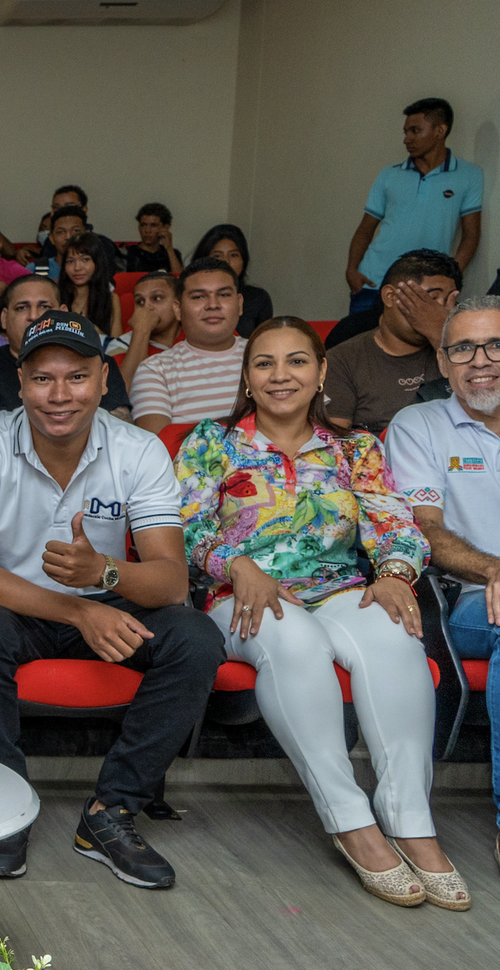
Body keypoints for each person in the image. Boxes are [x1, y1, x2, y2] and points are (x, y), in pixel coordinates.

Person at [177, 317, 462, 908]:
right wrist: (235, 563)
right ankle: (349, 818)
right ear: (248, 377)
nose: (281, 376)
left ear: (321, 372)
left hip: (338, 588)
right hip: (242, 599)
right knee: (296, 640)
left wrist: (394, 574)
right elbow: (183, 530)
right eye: (265, 363)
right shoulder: (211, 442)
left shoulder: (355, 448)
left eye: (297, 362)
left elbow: (396, 525)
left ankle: (410, 818)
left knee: (395, 636)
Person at [0, 309, 221, 887]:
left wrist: (105, 574)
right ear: (20, 384)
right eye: (42, 378)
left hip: (107, 600)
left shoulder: (139, 450)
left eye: (76, 377)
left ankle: (111, 811)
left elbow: (170, 582)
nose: (59, 394)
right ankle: (4, 806)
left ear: (102, 380)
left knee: (196, 638)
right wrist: (77, 606)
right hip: (12, 605)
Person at [385, 294, 500, 869]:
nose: (480, 360)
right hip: (466, 601)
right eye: (463, 348)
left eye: (495, 344)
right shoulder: (419, 425)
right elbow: (423, 530)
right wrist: (494, 570)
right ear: (444, 362)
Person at [347, 97, 483, 314]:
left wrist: (451, 277)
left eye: (415, 131)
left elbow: (471, 235)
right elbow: (366, 228)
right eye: (405, 132)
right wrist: (352, 270)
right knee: (358, 345)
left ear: (440, 131)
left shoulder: (468, 176)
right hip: (373, 283)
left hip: (426, 289)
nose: (406, 139)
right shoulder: (389, 174)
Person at [325, 249, 459, 433]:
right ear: (391, 296)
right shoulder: (342, 360)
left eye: (450, 302)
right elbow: (332, 444)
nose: (441, 312)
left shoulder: (468, 352)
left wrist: (442, 336)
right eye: (432, 299)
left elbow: (483, 410)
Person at [0, 274, 132, 419]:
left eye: (44, 307)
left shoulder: (96, 361)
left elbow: (120, 428)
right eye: (22, 308)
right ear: (4, 318)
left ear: (64, 314)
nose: (34, 316)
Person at [131, 258, 248, 434]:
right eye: (199, 297)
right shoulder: (156, 370)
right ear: (177, 309)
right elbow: (159, 449)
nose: (213, 305)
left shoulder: (268, 357)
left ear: (239, 304)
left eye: (223, 295)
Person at [190, 223, 273, 337]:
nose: (226, 262)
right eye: (217, 256)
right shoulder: (192, 295)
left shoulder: (258, 298)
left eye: (234, 255)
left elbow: (266, 343)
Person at [119, 270, 182, 388]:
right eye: (140, 302)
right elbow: (125, 394)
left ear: (178, 305)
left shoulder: (196, 335)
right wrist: (141, 331)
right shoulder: (121, 344)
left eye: (157, 298)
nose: (146, 307)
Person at [57, 232, 123, 340]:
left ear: (97, 262)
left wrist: (98, 335)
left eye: (85, 260)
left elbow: (116, 346)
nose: (77, 267)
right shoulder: (56, 296)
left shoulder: (111, 299)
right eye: (70, 261)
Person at [123, 203, 184, 275]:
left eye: (153, 225)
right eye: (143, 225)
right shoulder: (127, 253)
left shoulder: (172, 254)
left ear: (165, 227)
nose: (147, 230)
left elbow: (180, 279)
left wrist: (169, 248)